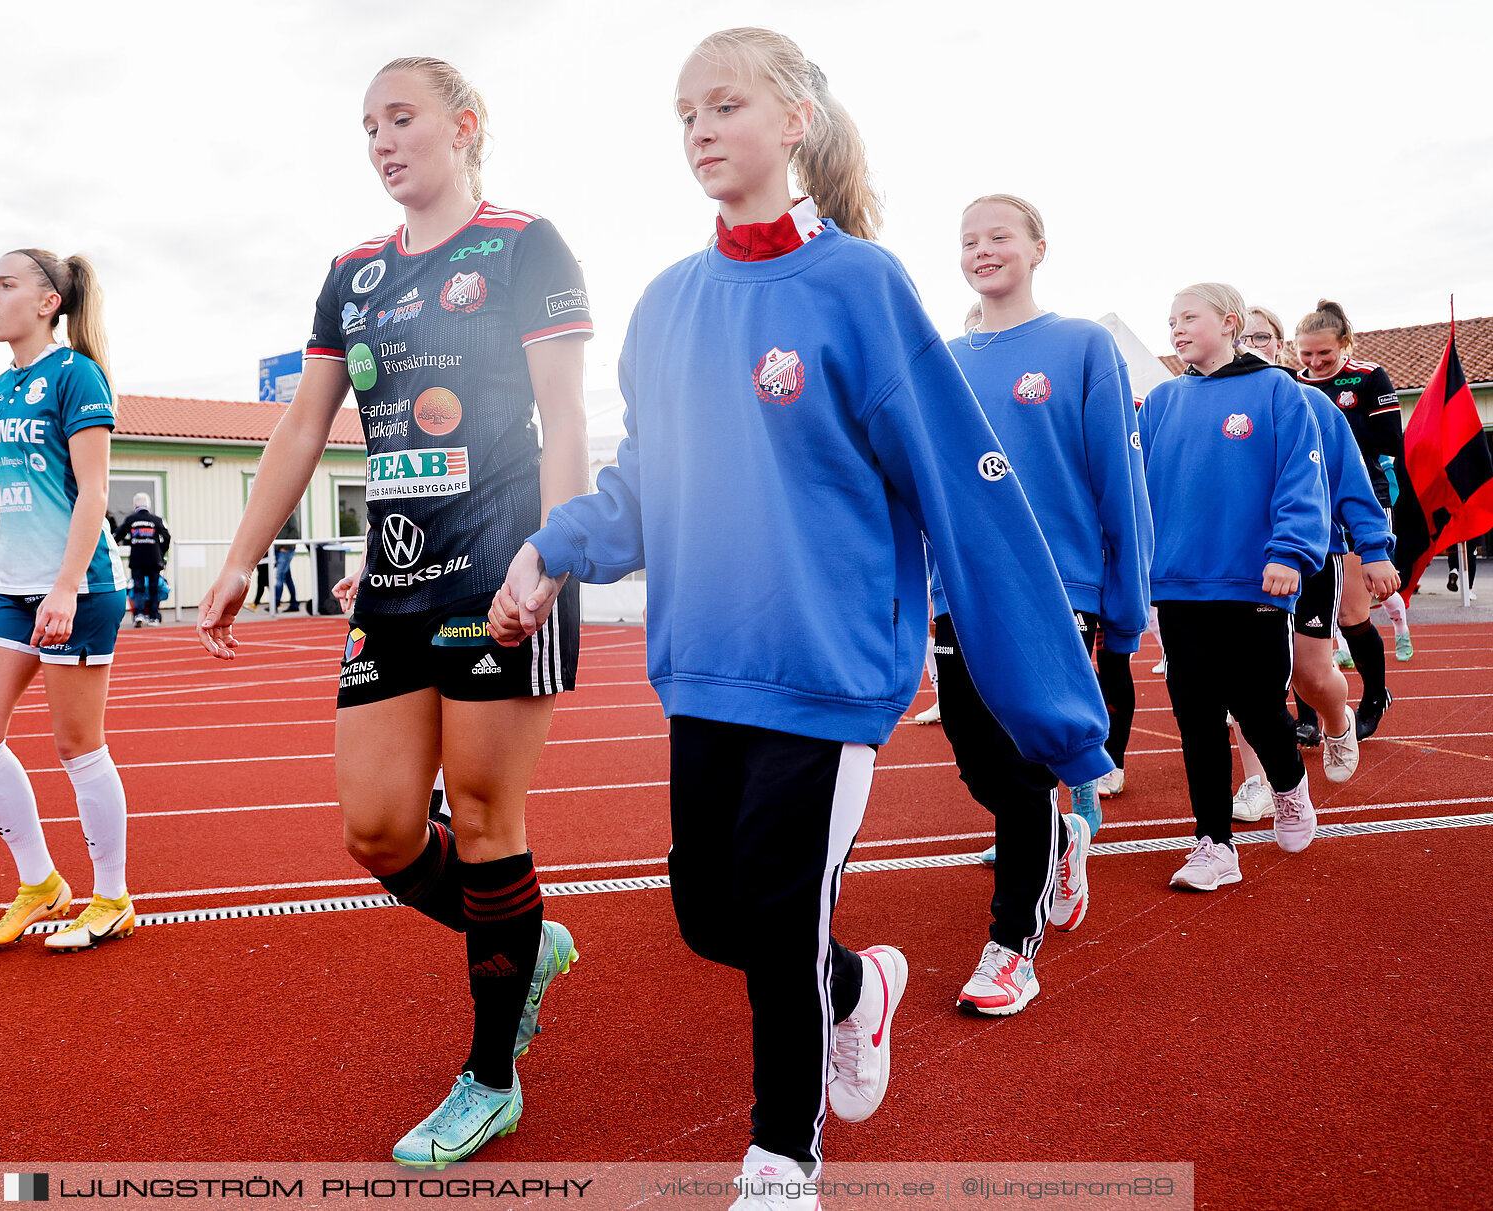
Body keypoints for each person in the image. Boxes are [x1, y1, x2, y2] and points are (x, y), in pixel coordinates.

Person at [492, 29, 1112, 1202]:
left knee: (774, 909)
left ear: (795, 123)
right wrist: (551, 545)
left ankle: (782, 1155)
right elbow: (646, 484)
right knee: (709, 916)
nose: (701, 131)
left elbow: (963, 491)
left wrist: (1059, 714)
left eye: (725, 105)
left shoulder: (863, 287)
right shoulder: (668, 303)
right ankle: (852, 986)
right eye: (685, 114)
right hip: (704, 662)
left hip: (829, 670)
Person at [195, 56, 591, 1168]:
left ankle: (490, 1077)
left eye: (402, 117)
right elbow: (302, 430)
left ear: (464, 127)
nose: (381, 139)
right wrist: (239, 557)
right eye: (368, 124)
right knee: (375, 824)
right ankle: (524, 937)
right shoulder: (351, 275)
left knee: (483, 816)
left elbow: (568, 416)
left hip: (507, 573)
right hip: (396, 580)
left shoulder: (524, 245)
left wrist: (554, 555)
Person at [945, 193, 1152, 1012]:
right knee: (977, 760)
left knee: (1021, 766)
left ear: (1037, 247)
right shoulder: (943, 359)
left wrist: (1127, 604)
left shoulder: (1082, 346)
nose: (983, 249)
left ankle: (1010, 949)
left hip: (1057, 587)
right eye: (969, 239)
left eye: (999, 236)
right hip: (957, 588)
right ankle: (1062, 835)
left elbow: (1119, 479)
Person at [0, 247, 134, 954]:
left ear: (47, 301)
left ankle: (112, 895)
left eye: (4, 285)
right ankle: (40, 883)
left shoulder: (76, 374)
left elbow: (93, 491)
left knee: (76, 744)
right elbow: (6, 500)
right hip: (12, 593)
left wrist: (63, 586)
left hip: (79, 587)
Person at [1140, 284, 1329, 891]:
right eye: (1170, 321)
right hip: (1177, 586)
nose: (1176, 329)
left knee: (1257, 708)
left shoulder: (1277, 390)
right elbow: (1136, 496)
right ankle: (1214, 844)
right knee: (1195, 717)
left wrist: (1290, 553)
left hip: (1255, 578)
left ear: (1228, 322)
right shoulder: (1162, 402)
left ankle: (1288, 784)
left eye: (1187, 318)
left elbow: (1302, 475)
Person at [1231, 308, 1397, 819]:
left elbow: (1353, 481)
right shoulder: (1210, 404)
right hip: (1242, 564)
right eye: (1244, 336)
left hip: (1312, 554)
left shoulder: (1312, 404)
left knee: (1310, 674)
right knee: (1248, 681)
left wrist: (1373, 549)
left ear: (1279, 345)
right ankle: (1258, 782)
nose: (1252, 344)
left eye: (1263, 336)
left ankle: (1338, 720)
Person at [1297, 301, 1414, 740]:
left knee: (1349, 614)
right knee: (1302, 618)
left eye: (1323, 354)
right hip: (1309, 509)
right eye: (1306, 354)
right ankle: (1307, 710)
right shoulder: (1288, 384)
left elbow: (1387, 453)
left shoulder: (1368, 379)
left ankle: (1374, 695)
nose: (1314, 363)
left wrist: (1373, 526)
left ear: (1344, 343)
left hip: (1358, 505)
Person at [115, 492, 170, 627]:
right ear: (148, 505)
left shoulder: (131, 519)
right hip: (154, 560)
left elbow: (117, 535)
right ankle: (153, 617)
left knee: (138, 587)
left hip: (137, 560)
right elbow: (167, 537)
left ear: (135, 505)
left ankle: (139, 615)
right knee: (154, 588)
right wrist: (161, 552)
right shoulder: (157, 519)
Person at [271, 509, 304, 614]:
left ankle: (275, 604)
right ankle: (294, 603)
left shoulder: (289, 511)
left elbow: (295, 530)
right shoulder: (274, 514)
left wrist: (286, 547)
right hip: (276, 549)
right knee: (287, 578)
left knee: (279, 576)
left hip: (285, 550)